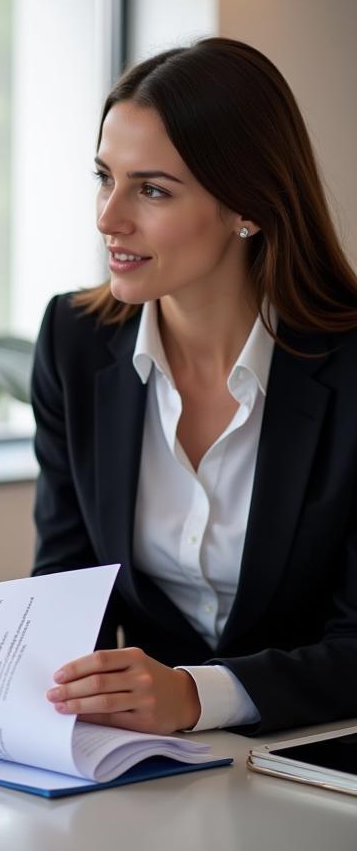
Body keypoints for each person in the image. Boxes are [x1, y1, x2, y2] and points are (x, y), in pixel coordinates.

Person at [31, 37, 357, 736]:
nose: (108, 217)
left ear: (249, 206)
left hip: (320, 760)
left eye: (151, 189)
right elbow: (65, 589)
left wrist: (198, 695)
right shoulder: (74, 340)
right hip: (146, 766)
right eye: (104, 177)